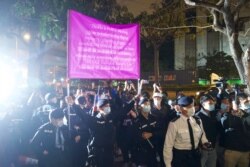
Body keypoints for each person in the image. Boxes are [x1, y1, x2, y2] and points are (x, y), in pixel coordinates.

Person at [163, 96, 209, 167]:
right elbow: (168, 146)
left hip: (195, 155)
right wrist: (168, 164)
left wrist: (205, 142)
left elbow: (202, 134)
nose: (192, 108)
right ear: (181, 108)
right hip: (181, 157)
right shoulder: (174, 123)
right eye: (189, 106)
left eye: (193, 105)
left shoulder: (198, 120)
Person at [132, 97, 160, 167]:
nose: (147, 106)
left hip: (153, 150)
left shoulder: (154, 118)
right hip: (141, 153)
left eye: (148, 104)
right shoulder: (136, 121)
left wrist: (152, 134)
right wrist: (141, 136)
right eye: (145, 104)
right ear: (140, 107)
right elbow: (134, 137)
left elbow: (160, 131)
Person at [196, 94, 218, 167]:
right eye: (209, 103)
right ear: (203, 104)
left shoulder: (213, 114)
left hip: (213, 147)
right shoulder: (198, 117)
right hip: (202, 149)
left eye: (213, 103)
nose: (212, 105)